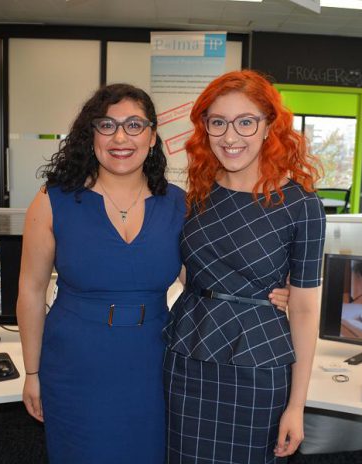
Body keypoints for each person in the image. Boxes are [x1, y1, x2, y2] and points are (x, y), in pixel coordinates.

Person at [16, 83, 289, 463]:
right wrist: (32, 372)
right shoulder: (53, 201)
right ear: (91, 134)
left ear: (152, 135)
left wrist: (266, 295)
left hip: (154, 363)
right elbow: (30, 291)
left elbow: (202, 282)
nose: (120, 137)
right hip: (75, 362)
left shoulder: (179, 204)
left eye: (134, 125)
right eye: (107, 126)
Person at [164, 70, 326, 463]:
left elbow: (305, 310)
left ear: (270, 125)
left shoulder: (301, 205)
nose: (230, 136)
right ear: (205, 127)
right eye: (218, 122)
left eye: (245, 121)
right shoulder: (197, 192)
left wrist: (296, 406)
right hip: (187, 357)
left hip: (258, 366)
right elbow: (191, 272)